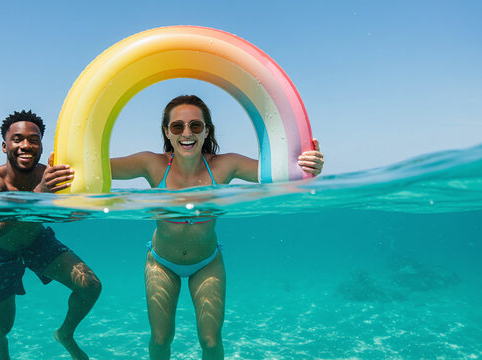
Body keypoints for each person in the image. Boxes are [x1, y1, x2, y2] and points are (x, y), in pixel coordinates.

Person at [110, 95, 323, 359]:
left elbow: (281, 173)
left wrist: (308, 165)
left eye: (195, 126)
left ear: (206, 130)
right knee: (161, 338)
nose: (187, 133)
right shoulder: (151, 164)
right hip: (161, 262)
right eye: (177, 126)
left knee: (210, 341)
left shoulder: (224, 166)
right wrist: (64, 164)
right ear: (167, 131)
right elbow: (96, 167)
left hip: (207, 262)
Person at [0, 110, 101, 360]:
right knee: (3, 326)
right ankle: (0, 342)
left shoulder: (50, 173)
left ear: (42, 145)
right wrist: (40, 192)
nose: (26, 145)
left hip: (36, 241)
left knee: (90, 286)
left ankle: (65, 334)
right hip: (0, 253)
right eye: (17, 139)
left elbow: (66, 209)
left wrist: (77, 211)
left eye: (34, 139)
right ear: (4, 145)